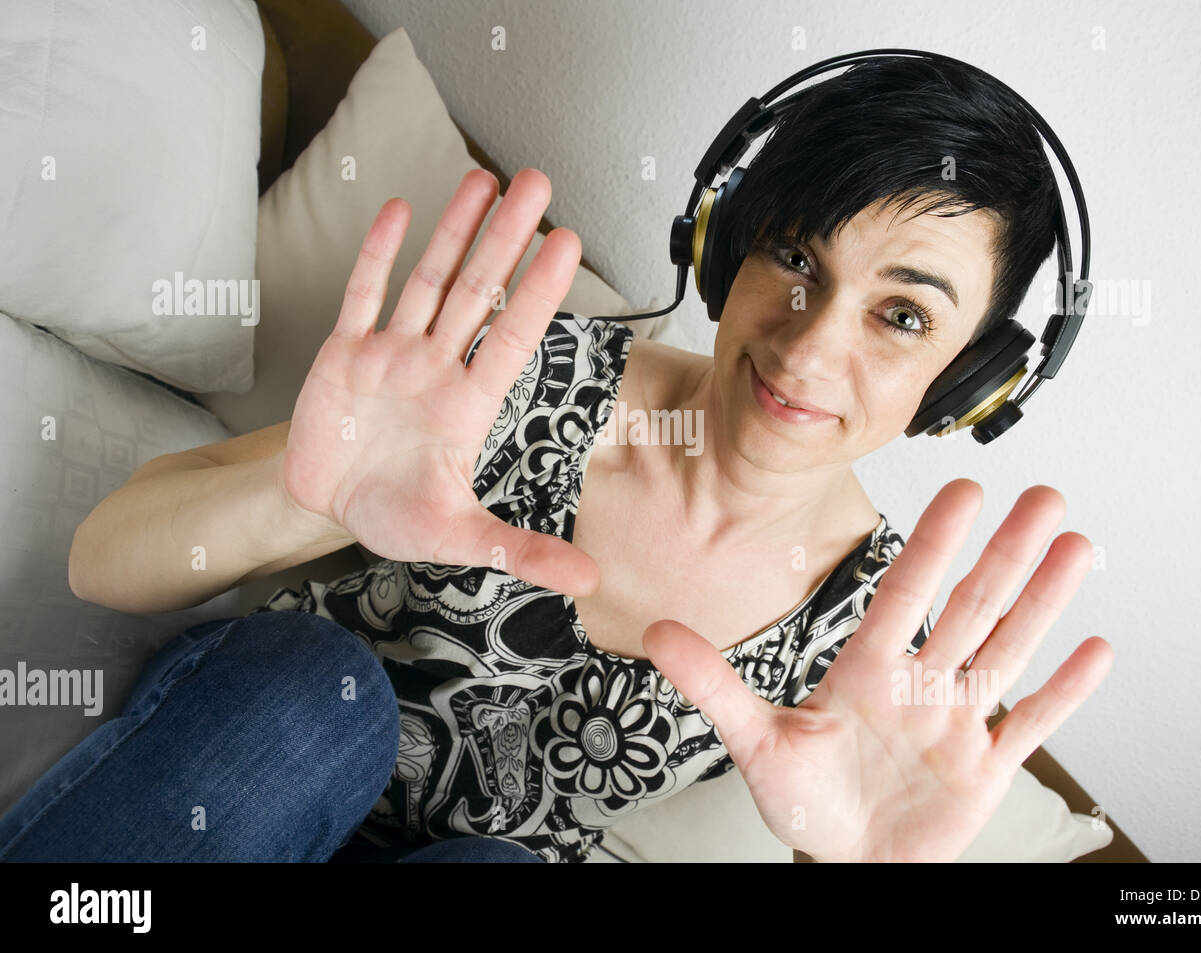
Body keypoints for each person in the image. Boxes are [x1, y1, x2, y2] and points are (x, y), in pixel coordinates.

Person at [0, 57, 1111, 863]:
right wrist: (298, 493)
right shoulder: (520, 376)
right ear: (728, 242)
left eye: (904, 316)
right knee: (311, 686)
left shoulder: (873, 632)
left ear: (974, 377)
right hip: (240, 782)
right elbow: (105, 561)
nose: (810, 344)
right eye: (793, 255)